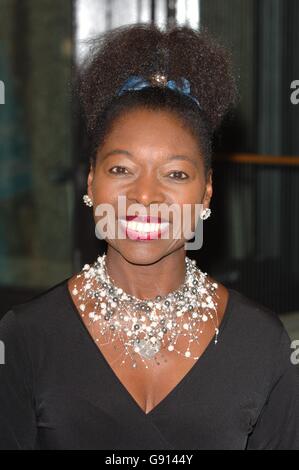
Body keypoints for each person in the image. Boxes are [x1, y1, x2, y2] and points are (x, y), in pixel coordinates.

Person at [0, 23, 298, 450]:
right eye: (121, 169)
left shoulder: (261, 343)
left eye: (175, 174)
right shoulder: (26, 338)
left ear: (206, 191)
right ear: (90, 181)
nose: (144, 196)